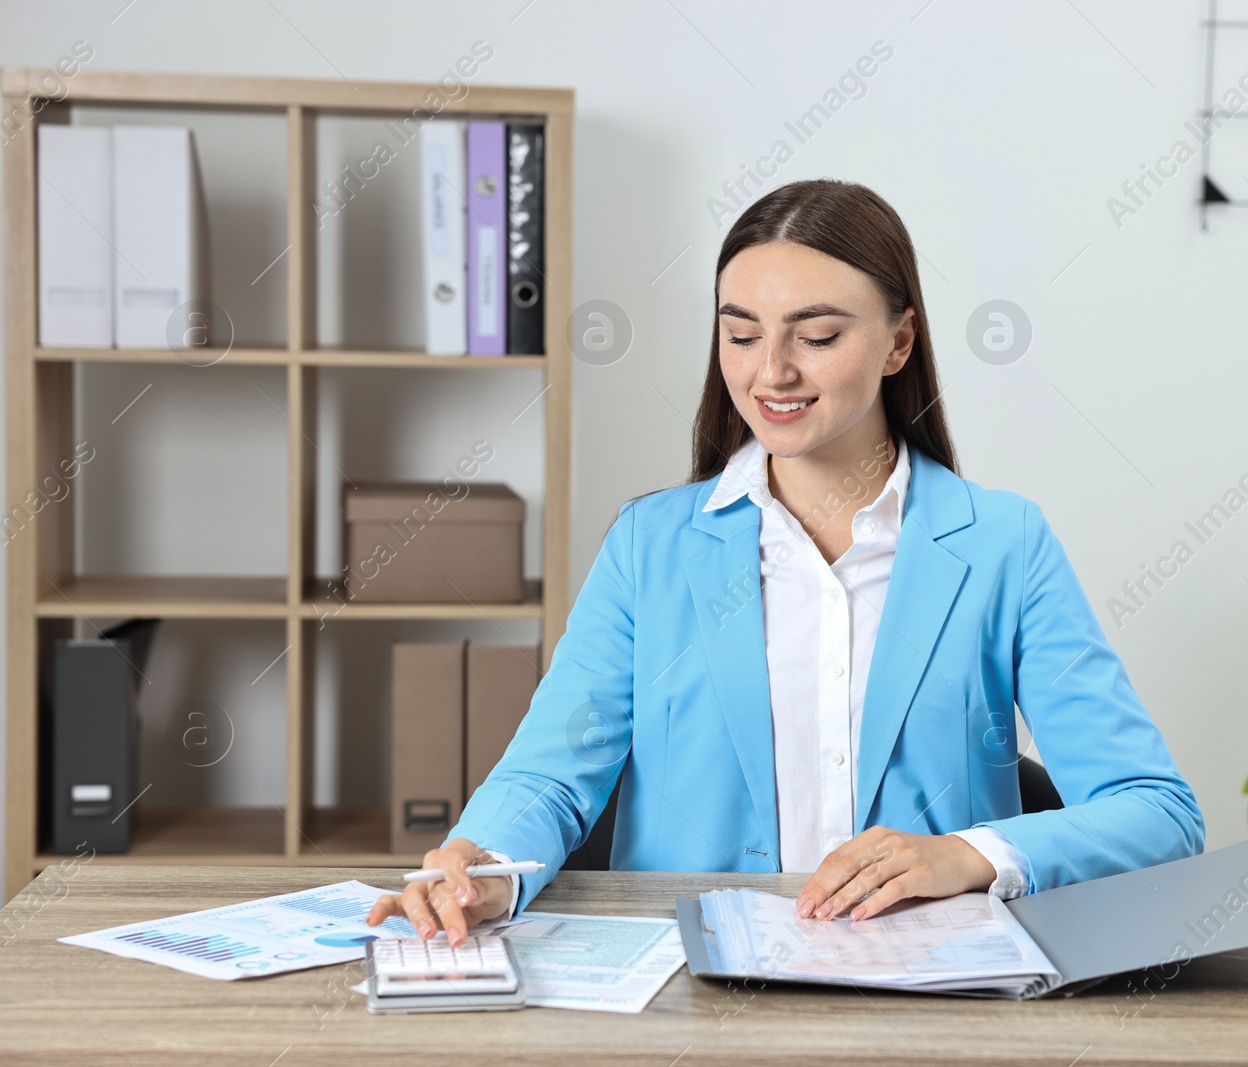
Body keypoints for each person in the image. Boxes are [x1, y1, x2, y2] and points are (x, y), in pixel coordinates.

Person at [367, 178, 1203, 945]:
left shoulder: (1001, 545)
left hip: (931, 992)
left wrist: (968, 853)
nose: (773, 371)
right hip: (687, 985)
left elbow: (1158, 811)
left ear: (898, 341)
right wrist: (479, 865)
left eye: (818, 334)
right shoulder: (649, 546)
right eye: (741, 333)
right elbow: (551, 776)